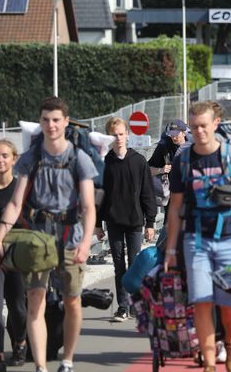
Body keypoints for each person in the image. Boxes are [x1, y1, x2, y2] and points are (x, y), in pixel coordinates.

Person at [0, 97, 97, 372]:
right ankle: (40, 366)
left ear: (65, 122)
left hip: (71, 238)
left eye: (56, 120)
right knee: (34, 299)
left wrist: (86, 243)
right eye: (46, 120)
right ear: (40, 122)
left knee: (72, 301)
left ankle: (68, 360)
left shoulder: (79, 158)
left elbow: (87, 206)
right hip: (38, 240)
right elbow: (15, 203)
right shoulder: (31, 158)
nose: (51, 125)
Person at [164, 101, 231, 372]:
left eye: (203, 126)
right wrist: (171, 251)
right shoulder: (183, 160)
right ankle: (209, 362)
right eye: (194, 127)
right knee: (202, 303)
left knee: (229, 306)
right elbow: (174, 209)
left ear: (215, 124)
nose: (198, 131)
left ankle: (230, 343)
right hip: (195, 241)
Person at [95, 117, 157, 322]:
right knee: (119, 265)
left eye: (121, 134)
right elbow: (100, 196)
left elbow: (147, 193)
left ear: (128, 135)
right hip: (113, 221)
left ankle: (135, 304)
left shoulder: (138, 161)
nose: (118, 138)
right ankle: (122, 306)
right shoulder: (105, 163)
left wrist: (150, 222)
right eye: (114, 135)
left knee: (134, 265)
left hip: (135, 221)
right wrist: (97, 224)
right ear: (108, 138)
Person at [0, 140, 27, 371]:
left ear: (14, 159)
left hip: (17, 253)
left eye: (4, 156)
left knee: (18, 306)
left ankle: (20, 343)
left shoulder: (20, 188)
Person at [148, 119, 188, 220]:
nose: (173, 137)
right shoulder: (164, 148)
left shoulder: (194, 146)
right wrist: (161, 170)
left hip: (190, 195)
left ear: (184, 133)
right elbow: (147, 170)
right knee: (169, 228)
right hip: (172, 196)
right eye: (171, 135)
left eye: (176, 134)